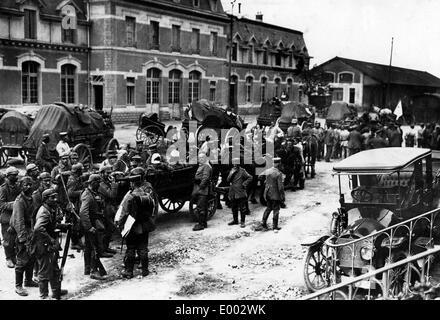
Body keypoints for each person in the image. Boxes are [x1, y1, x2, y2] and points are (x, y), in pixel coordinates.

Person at [117, 167, 155, 278]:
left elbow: (124, 213)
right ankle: (145, 270)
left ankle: (129, 271)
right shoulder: (147, 195)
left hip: (132, 226)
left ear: (133, 184)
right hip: (144, 225)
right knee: (143, 248)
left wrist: (120, 224)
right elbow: (152, 209)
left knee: (131, 248)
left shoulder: (130, 196)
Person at [33, 188, 68, 299]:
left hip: (47, 244)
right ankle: (44, 296)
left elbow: (50, 225)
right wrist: (51, 240)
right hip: (43, 245)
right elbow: (38, 228)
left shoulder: (49, 209)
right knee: (44, 271)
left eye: (55, 196)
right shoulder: (44, 211)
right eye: (52, 197)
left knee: (54, 268)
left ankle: (55, 291)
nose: (55, 199)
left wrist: (63, 226)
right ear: (45, 199)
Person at [10, 176, 38, 296]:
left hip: (30, 231)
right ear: (21, 186)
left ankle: (28, 280)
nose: (28, 186)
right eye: (26, 184)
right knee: (22, 259)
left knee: (32, 257)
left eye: (30, 184)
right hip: (22, 232)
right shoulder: (19, 201)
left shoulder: (31, 198)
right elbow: (18, 221)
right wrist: (23, 238)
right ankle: (18, 286)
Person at [79, 174, 110, 280]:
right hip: (90, 224)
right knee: (94, 247)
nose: (100, 184)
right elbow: (83, 212)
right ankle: (94, 271)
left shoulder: (93, 193)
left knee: (88, 247)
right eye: (98, 182)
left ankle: (87, 268)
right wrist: (89, 227)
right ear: (93, 183)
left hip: (93, 222)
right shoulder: (87, 195)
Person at [0, 166, 21, 268]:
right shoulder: (3, 188)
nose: (16, 177)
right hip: (7, 217)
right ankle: (8, 258)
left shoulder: (17, 186)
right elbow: (2, 205)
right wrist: (16, 204)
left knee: (16, 238)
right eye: (14, 175)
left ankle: (14, 257)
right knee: (8, 240)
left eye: (16, 175)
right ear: (8, 176)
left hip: (16, 216)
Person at [259, 157, 285, 231]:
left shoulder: (268, 171)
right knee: (276, 210)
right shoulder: (278, 173)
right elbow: (280, 187)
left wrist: (266, 182)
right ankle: (275, 227)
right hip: (275, 194)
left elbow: (260, 176)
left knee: (268, 208)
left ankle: (263, 223)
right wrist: (282, 196)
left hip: (267, 193)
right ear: (278, 164)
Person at [98, 165, 119, 254]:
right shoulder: (101, 184)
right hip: (105, 209)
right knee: (106, 230)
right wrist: (114, 184)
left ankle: (105, 248)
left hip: (109, 208)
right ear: (102, 174)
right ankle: (102, 250)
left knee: (109, 229)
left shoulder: (106, 182)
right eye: (108, 173)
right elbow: (112, 195)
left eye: (110, 172)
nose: (110, 174)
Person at [226, 159, 252, 228]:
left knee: (242, 208)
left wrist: (244, 184)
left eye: (236, 163)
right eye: (234, 163)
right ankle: (235, 220)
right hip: (233, 192)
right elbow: (228, 180)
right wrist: (231, 173)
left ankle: (242, 222)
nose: (235, 165)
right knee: (234, 207)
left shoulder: (242, 171)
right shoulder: (232, 170)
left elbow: (250, 177)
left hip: (240, 192)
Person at [67, 163, 86, 251]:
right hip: (73, 204)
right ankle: (74, 243)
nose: (83, 171)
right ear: (78, 171)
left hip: (77, 203)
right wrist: (82, 191)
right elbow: (70, 193)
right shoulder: (73, 180)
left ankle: (77, 241)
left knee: (78, 224)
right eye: (81, 169)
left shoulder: (77, 178)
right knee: (75, 224)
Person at [192, 153, 213, 231]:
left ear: (204, 158)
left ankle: (201, 224)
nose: (199, 159)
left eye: (201, 158)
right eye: (199, 158)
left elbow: (205, 178)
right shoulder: (203, 165)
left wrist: (200, 188)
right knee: (202, 207)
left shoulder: (206, 166)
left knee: (201, 208)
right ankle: (204, 223)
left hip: (203, 190)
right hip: (201, 189)